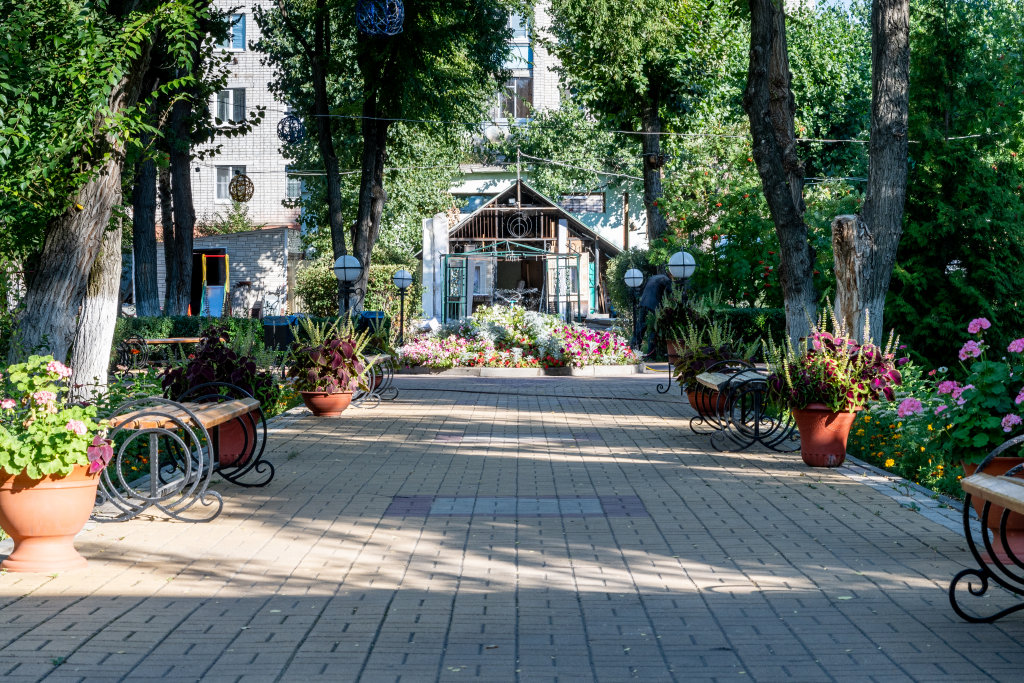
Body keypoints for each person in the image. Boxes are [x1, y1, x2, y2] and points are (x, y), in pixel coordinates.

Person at [636, 271, 672, 358]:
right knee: (654, 328)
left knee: (640, 327)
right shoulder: (666, 280)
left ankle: (634, 351)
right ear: (671, 274)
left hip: (643, 303)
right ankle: (651, 355)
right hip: (653, 306)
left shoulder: (653, 277)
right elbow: (670, 294)